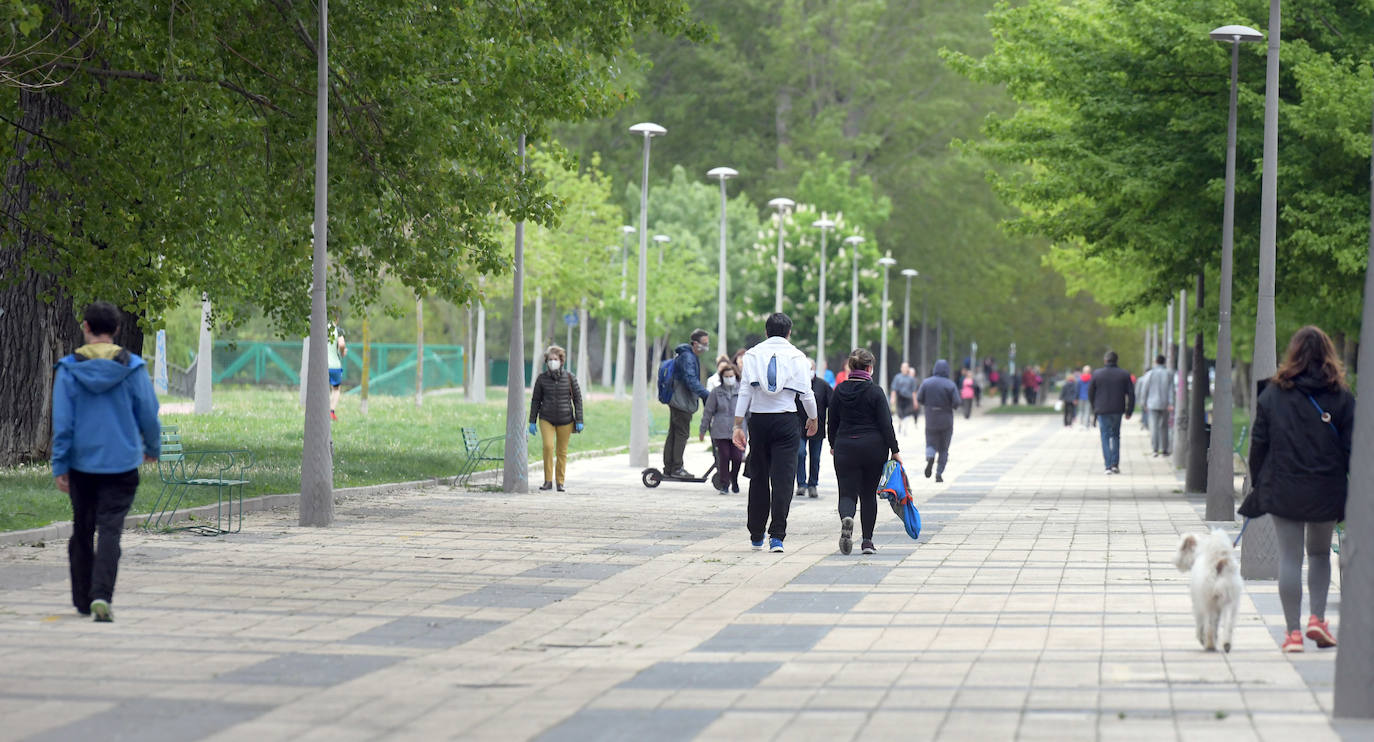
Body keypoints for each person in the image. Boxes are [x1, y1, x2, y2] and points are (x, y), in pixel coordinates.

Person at [51, 301, 162, 622]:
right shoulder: (134, 368)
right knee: (110, 530)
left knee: (82, 529)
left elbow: (64, 423)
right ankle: (102, 595)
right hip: (122, 465)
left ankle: (83, 600)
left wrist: (60, 465)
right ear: (115, 330)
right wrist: (152, 447)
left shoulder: (69, 368)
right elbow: (148, 414)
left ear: (85, 327)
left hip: (82, 466)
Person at [1244, 326, 1353, 653]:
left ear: (1292, 354)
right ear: (1328, 354)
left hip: (1284, 486)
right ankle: (1317, 620)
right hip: (1325, 488)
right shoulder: (1342, 397)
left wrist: (1258, 482)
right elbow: (1354, 450)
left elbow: (1258, 445)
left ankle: (1292, 634)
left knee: (1289, 558)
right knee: (1319, 553)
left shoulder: (1272, 395)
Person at [732, 313, 818, 553]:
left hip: (759, 421)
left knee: (759, 477)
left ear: (766, 331)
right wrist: (813, 418)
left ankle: (756, 534)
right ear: (789, 332)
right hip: (787, 420)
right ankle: (777, 536)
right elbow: (806, 394)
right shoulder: (798, 356)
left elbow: (745, 392)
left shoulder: (752, 355)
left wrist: (738, 425)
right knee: (783, 480)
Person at [828, 348, 901, 555]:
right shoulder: (875, 392)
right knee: (868, 495)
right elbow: (886, 424)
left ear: (851, 367)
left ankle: (846, 518)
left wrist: (834, 444)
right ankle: (867, 541)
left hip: (845, 447)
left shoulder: (839, 390)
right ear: (870, 368)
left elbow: (831, 421)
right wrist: (895, 450)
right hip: (873, 448)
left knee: (847, 493)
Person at [528, 345, 584, 492]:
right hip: (546, 418)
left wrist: (579, 420)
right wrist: (532, 421)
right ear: (546, 362)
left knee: (562, 451)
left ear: (561, 361)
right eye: (550, 359)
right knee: (548, 447)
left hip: (566, 419)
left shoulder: (570, 377)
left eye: (555, 359)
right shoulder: (541, 379)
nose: (553, 362)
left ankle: (560, 482)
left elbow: (578, 400)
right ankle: (547, 481)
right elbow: (535, 400)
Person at [664, 329, 711, 478]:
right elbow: (690, 380)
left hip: (677, 400)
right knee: (681, 433)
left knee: (674, 433)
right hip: (681, 402)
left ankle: (670, 468)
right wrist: (706, 394)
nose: (705, 347)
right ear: (695, 343)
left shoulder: (687, 356)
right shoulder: (688, 358)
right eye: (704, 344)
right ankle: (677, 468)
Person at [1088, 351, 1135, 474]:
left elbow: (1090, 393)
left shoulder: (1097, 374)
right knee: (1115, 435)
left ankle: (1107, 465)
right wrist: (1129, 410)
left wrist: (1094, 407)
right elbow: (1131, 394)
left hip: (1102, 410)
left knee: (1105, 436)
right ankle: (1115, 464)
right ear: (1116, 360)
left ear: (1105, 360)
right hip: (1117, 409)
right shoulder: (1124, 374)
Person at [701, 361, 743, 495]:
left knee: (737, 457)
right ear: (722, 377)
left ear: (735, 376)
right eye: (726, 376)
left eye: (731, 376)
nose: (729, 379)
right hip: (720, 431)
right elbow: (708, 412)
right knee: (724, 456)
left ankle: (734, 479)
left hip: (739, 430)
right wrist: (703, 429)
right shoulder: (716, 392)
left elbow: (749, 412)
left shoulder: (743, 391)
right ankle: (724, 484)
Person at [916, 359, 959, 482]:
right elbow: (956, 402)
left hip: (931, 419)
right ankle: (939, 473)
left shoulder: (926, 383)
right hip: (946, 419)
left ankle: (930, 457)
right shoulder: (950, 384)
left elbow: (919, 398)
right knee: (944, 448)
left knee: (930, 443)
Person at [796, 359, 831, 498]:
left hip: (818, 427)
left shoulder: (823, 385)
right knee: (800, 453)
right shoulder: (796, 385)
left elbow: (832, 404)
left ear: (814, 369)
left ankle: (812, 484)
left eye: (810, 368)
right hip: (799, 427)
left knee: (815, 457)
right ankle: (801, 483)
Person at [1141, 354, 1173, 455]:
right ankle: (1164, 449)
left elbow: (1144, 389)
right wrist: (1171, 403)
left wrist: (1143, 402)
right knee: (1164, 427)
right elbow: (1171, 390)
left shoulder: (1149, 374)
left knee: (1153, 426)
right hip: (1165, 404)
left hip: (1152, 404)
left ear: (1155, 362)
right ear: (1164, 362)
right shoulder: (1168, 373)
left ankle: (1155, 449)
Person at [889, 362, 918, 435]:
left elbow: (914, 391)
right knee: (900, 413)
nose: (904, 369)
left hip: (908, 398)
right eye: (903, 367)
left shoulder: (911, 379)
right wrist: (892, 398)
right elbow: (894, 389)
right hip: (900, 398)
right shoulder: (897, 377)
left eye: (906, 367)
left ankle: (905, 428)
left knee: (907, 413)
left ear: (908, 368)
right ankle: (900, 425)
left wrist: (915, 401)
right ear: (901, 368)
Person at [327, 320, 347, 421]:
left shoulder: (320, 329)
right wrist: (343, 352)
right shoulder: (338, 331)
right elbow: (342, 344)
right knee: (336, 389)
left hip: (322, 366)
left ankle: (322, 410)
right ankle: (331, 411)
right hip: (335, 366)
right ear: (337, 318)